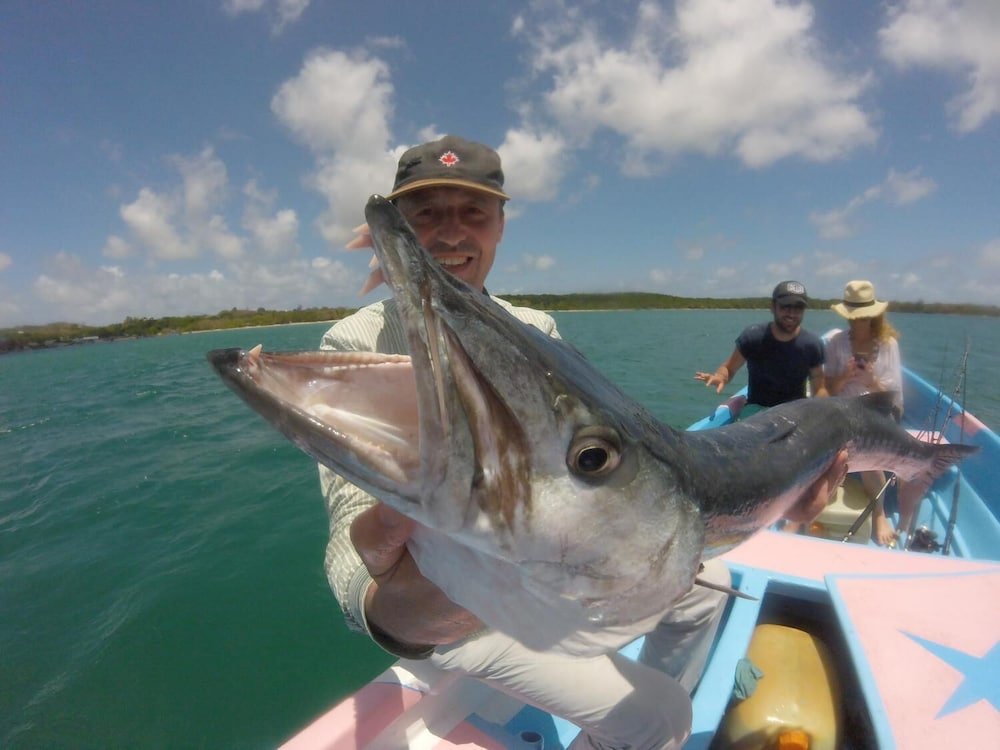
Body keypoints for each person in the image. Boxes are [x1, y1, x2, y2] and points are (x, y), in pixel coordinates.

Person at [317, 135, 850, 750]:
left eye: (473, 212)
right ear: (402, 225)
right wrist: (387, 609)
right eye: (427, 212)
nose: (451, 233)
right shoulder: (351, 345)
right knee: (664, 718)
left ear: (500, 225)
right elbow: (350, 545)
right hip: (466, 619)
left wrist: (773, 510)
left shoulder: (537, 328)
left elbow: (615, 460)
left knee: (705, 599)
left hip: (567, 577)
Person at [825, 280, 904, 546]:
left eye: (863, 317)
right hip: (844, 410)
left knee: (870, 453)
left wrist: (871, 380)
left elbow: (893, 396)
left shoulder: (888, 344)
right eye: (854, 317)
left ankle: (880, 514)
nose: (858, 322)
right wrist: (845, 376)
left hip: (876, 410)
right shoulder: (836, 342)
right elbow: (828, 389)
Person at [695, 281, 828, 413]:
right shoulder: (753, 337)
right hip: (756, 411)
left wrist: (823, 408)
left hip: (794, 413)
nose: (791, 314)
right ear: (772, 307)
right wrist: (720, 376)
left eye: (798, 308)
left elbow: (818, 384)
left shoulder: (812, 344)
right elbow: (729, 368)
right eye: (785, 307)